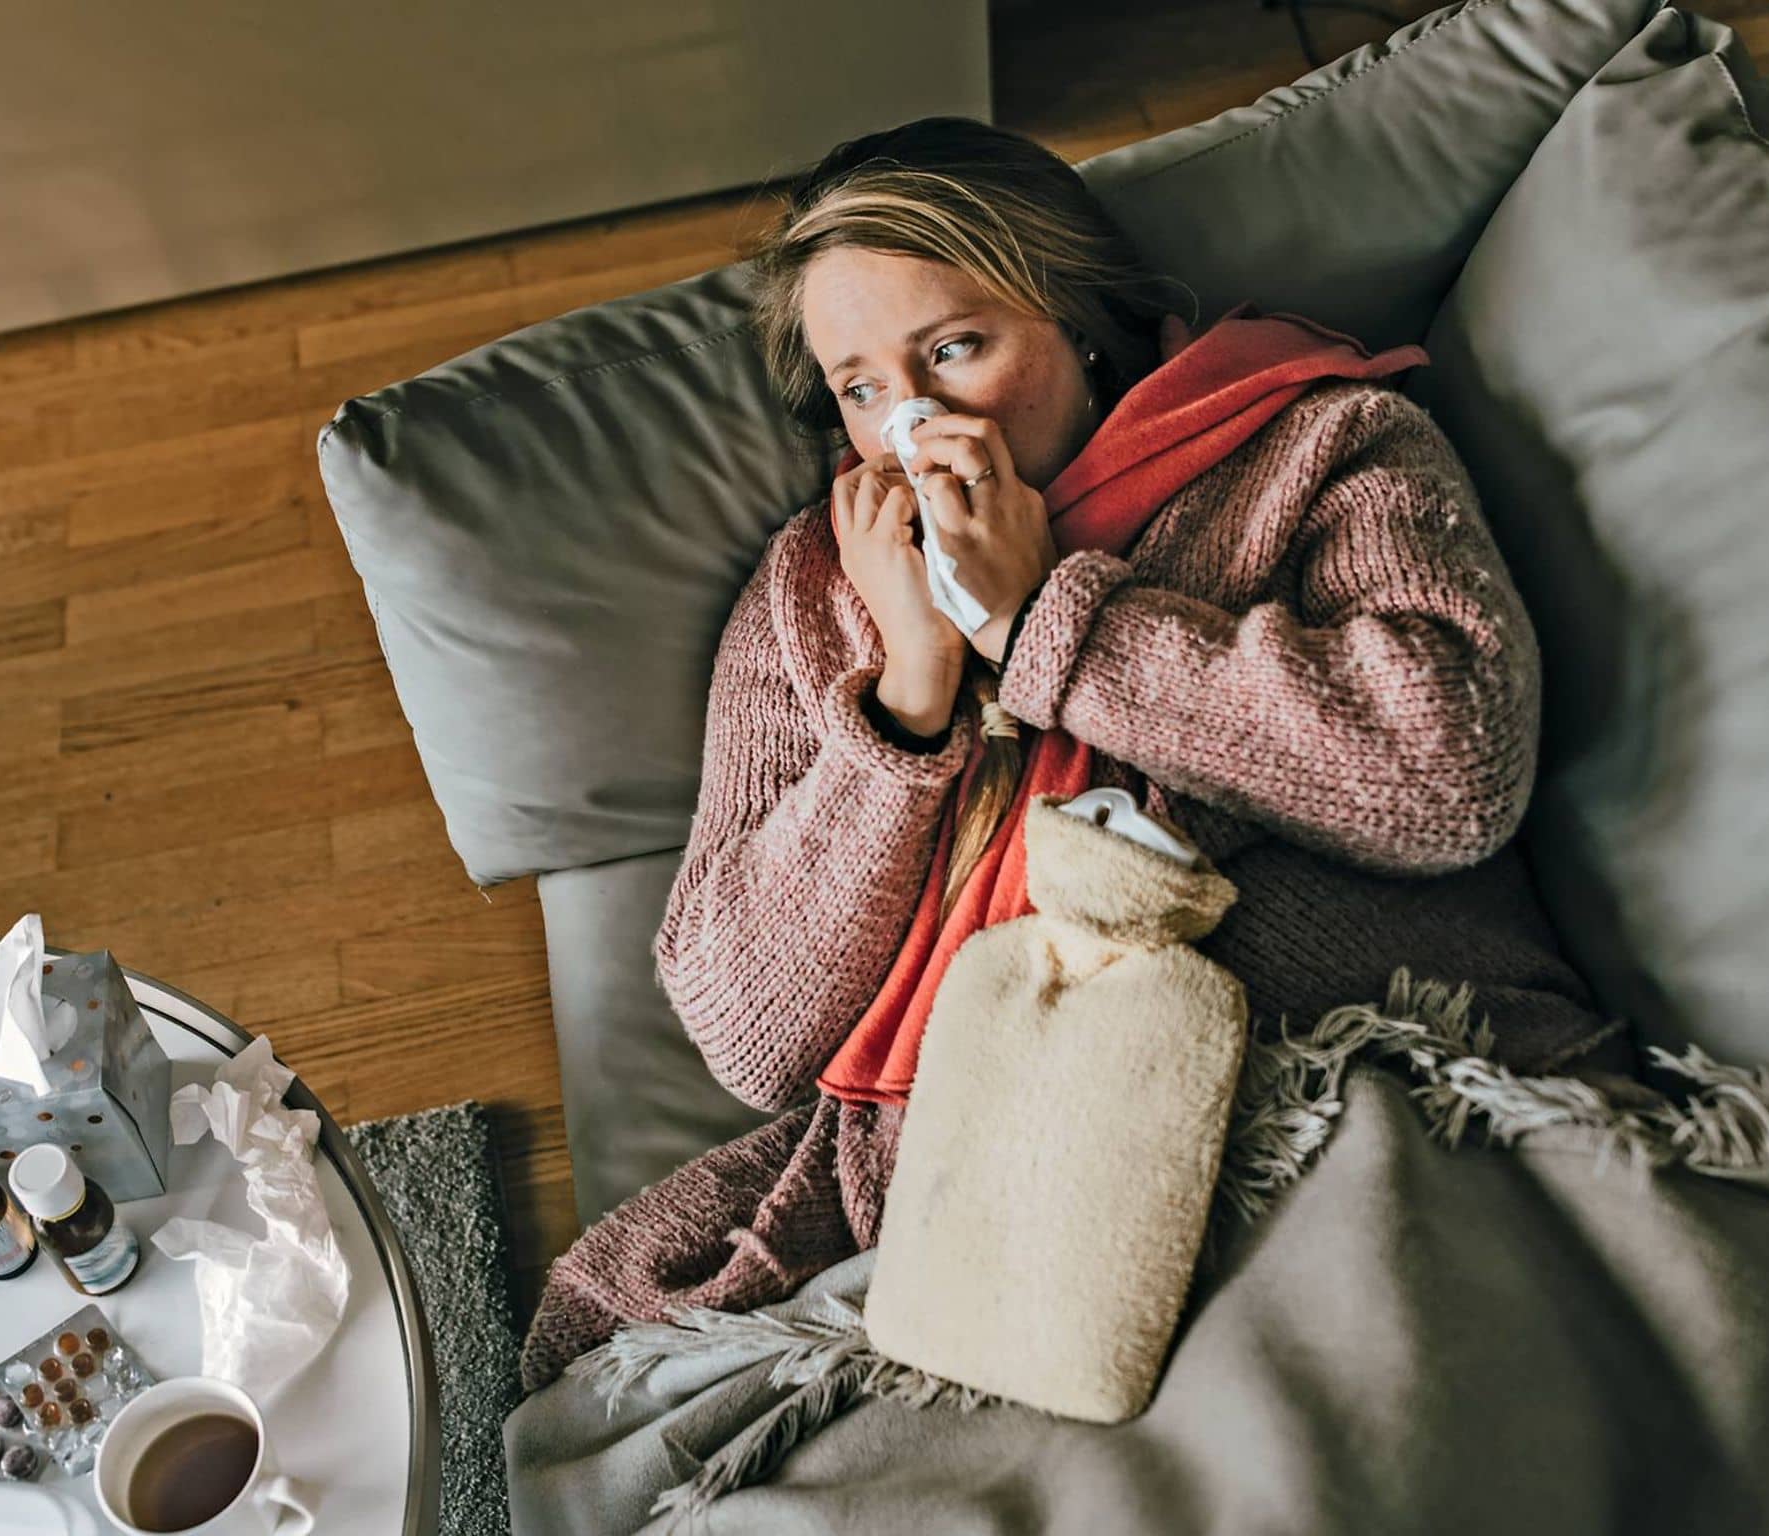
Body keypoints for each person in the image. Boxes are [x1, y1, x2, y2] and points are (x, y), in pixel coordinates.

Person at [515, 116, 1643, 1394]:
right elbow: (747, 1029)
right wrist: (908, 692)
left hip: (1344, 1084)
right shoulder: (814, 594)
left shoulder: (1316, 447)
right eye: (861, 387)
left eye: (954, 348)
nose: (913, 420)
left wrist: (1047, 622)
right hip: (976, 1179)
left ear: (1079, 322)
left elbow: (1446, 777)